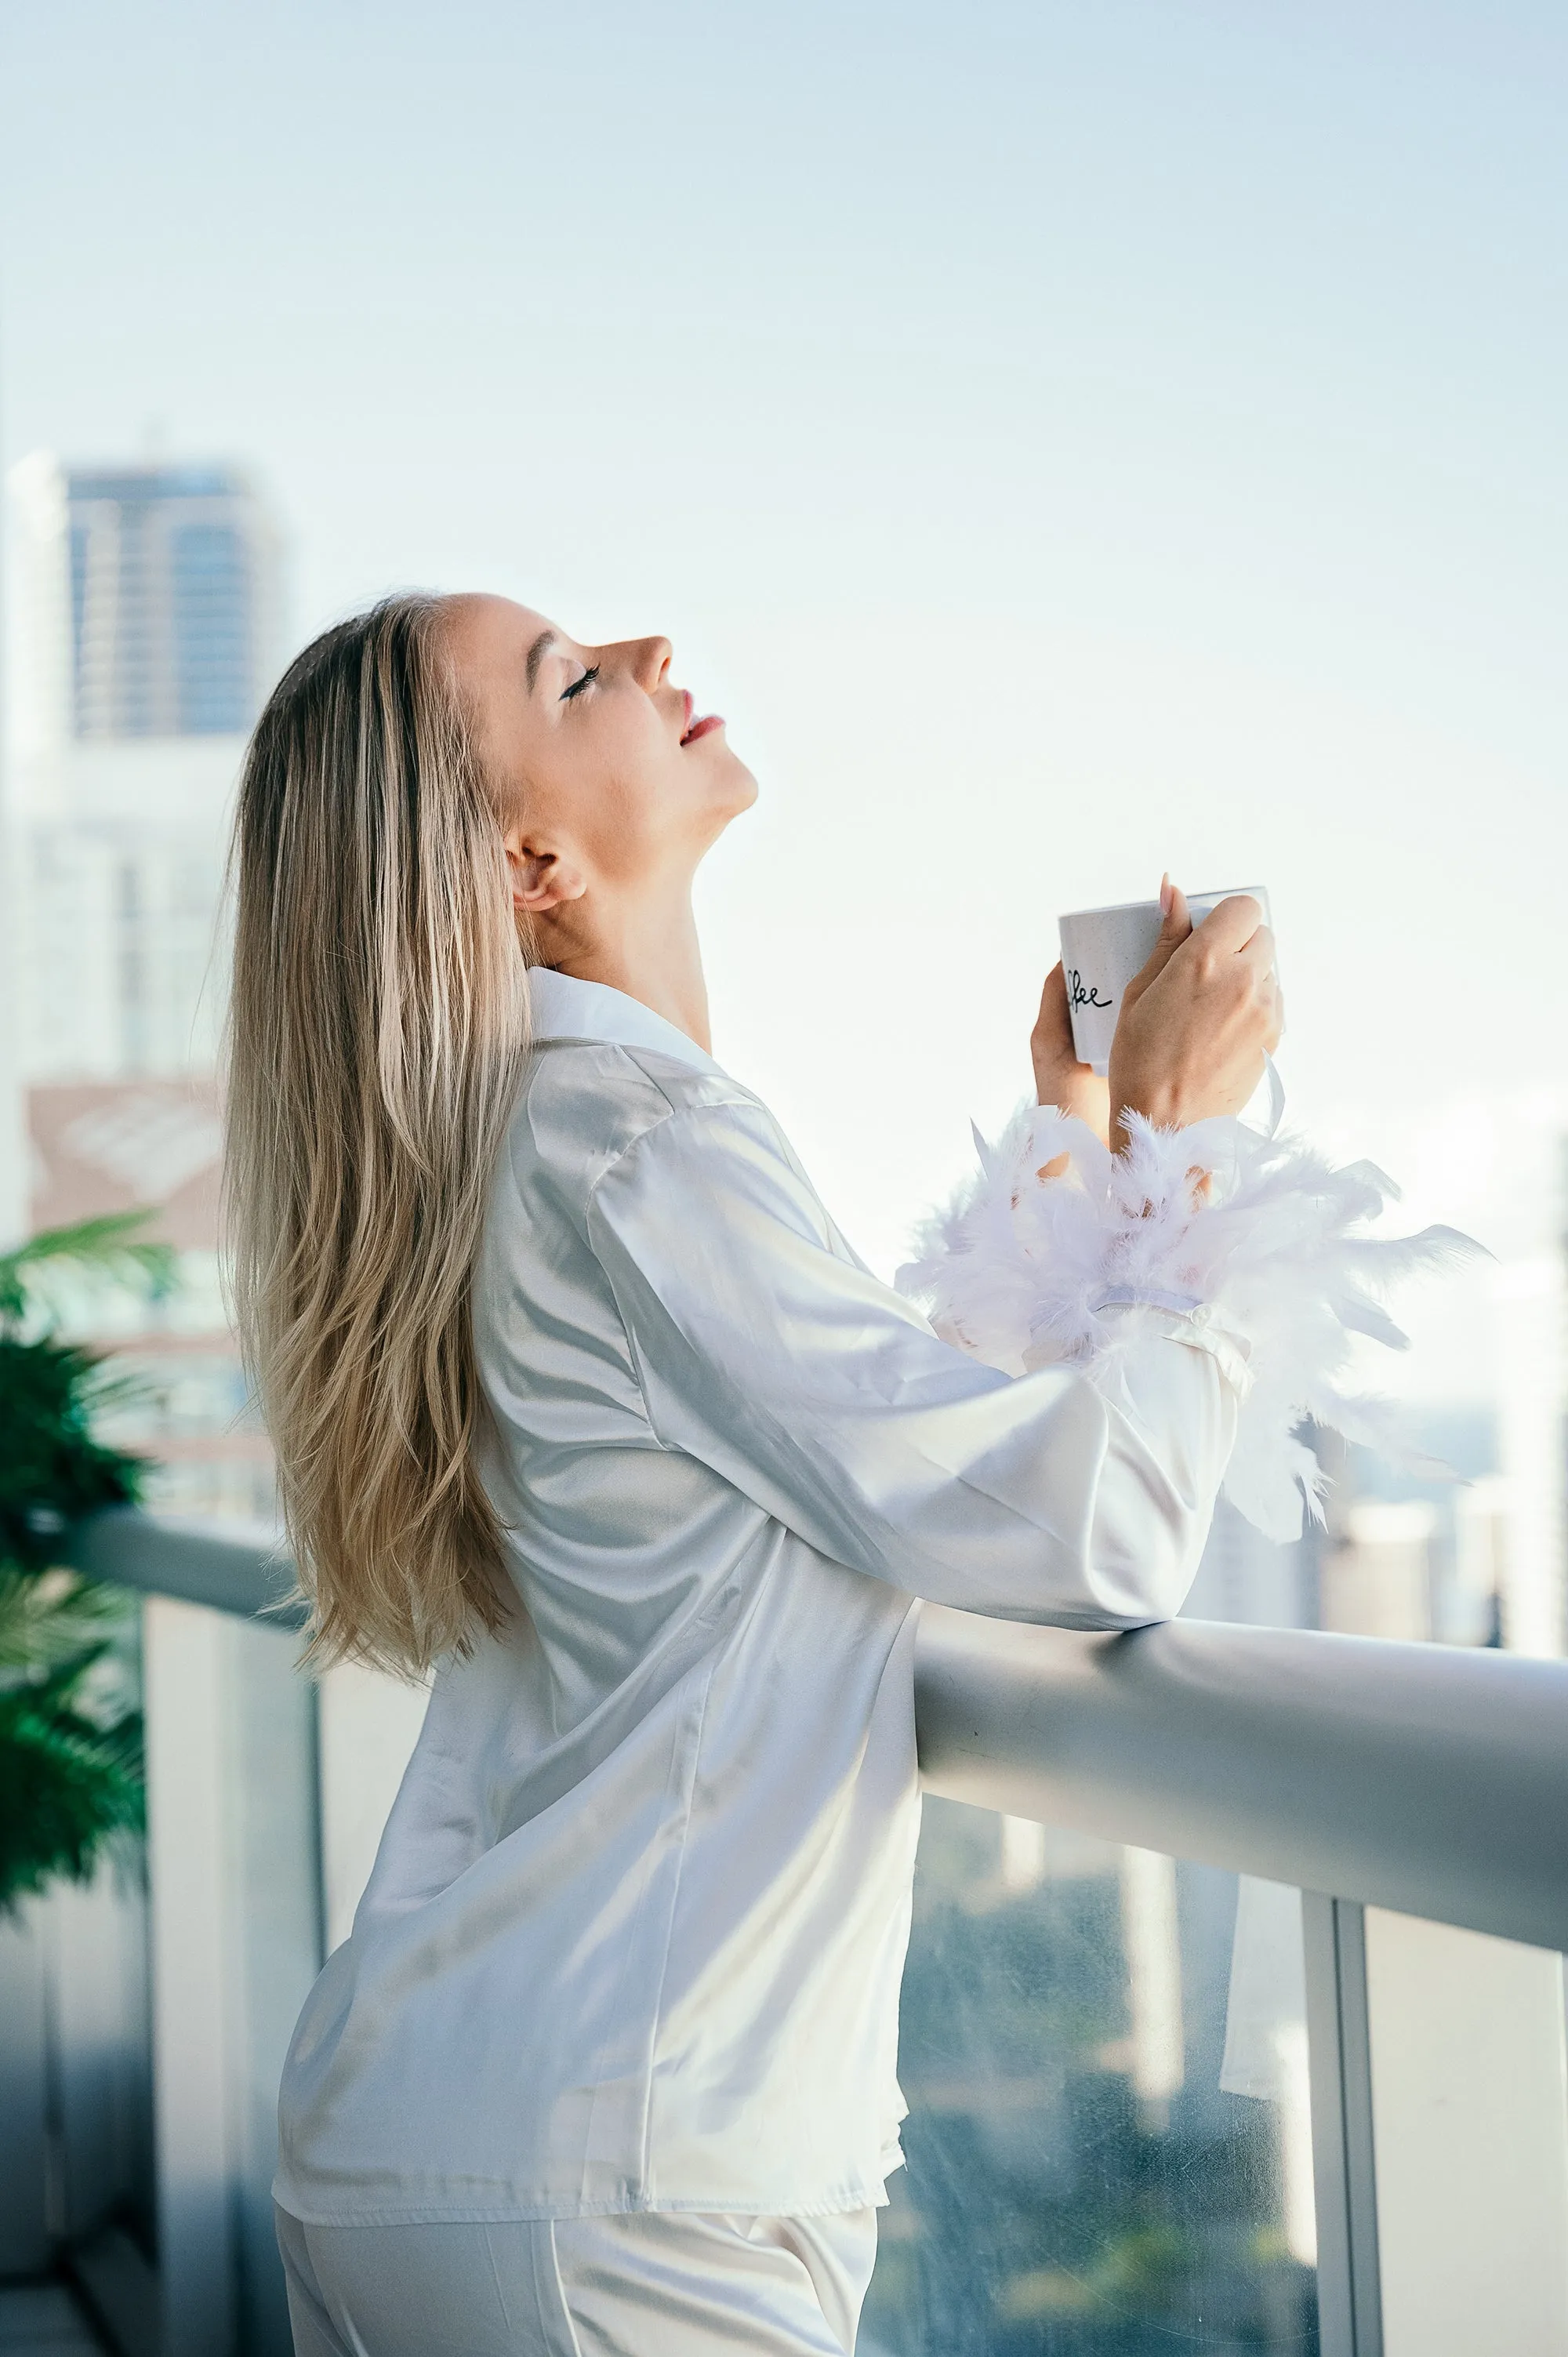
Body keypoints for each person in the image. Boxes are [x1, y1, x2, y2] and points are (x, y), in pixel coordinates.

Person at [227, 593, 1414, 2357]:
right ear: (534, 859)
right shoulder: (641, 1144)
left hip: (464, 2135)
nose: (642, 650)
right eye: (570, 675)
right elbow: (1087, 1531)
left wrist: (1071, 1141)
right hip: (618, 2193)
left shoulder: (526, 1148)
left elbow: (874, 1450)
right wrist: (1194, 1150)